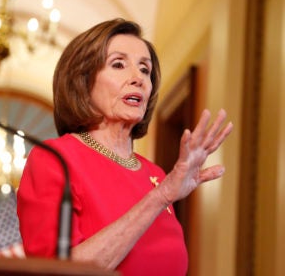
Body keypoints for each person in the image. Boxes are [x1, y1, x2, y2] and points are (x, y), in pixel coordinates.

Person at [17, 18, 233, 275]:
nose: (138, 78)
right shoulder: (54, 159)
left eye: (145, 69)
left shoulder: (156, 176)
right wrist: (159, 198)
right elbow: (55, 271)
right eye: (118, 64)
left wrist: (162, 191)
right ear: (83, 82)